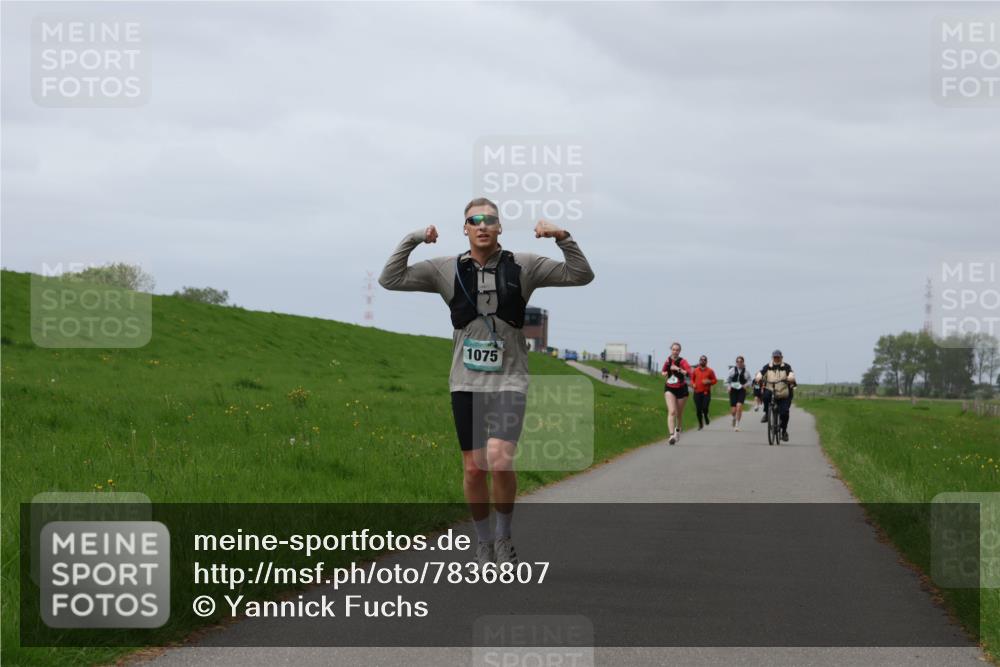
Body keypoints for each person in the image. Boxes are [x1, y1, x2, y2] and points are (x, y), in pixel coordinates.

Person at [379, 197, 594, 566]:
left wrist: (561, 236)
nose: (482, 225)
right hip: (465, 382)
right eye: (474, 220)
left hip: (510, 380)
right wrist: (415, 238)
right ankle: (483, 543)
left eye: (490, 220)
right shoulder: (445, 268)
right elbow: (390, 278)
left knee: (499, 457)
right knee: (474, 467)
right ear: (465, 228)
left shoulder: (524, 265)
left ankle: (504, 538)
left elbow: (581, 274)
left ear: (499, 228)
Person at [755, 349, 797, 442]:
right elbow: (761, 373)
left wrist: (790, 377)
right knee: (766, 396)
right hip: (771, 389)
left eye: (778, 357)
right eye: (775, 357)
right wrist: (758, 377)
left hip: (783, 392)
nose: (776, 359)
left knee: (784, 413)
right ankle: (767, 413)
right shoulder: (768, 366)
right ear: (772, 357)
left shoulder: (786, 366)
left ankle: (784, 431)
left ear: (781, 357)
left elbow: (791, 374)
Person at [661, 342, 692, 445]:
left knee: (679, 414)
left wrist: (678, 369)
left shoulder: (683, 361)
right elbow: (663, 371)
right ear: (671, 350)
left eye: (677, 350)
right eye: (673, 349)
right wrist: (665, 373)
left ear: (680, 351)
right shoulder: (668, 360)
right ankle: (671, 436)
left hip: (681, 389)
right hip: (669, 388)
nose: (675, 351)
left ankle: (677, 430)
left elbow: (689, 373)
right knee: (672, 411)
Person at [690, 355, 717, 430]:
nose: (702, 361)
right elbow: (692, 379)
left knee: (705, 407)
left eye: (704, 360)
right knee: (698, 410)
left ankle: (706, 416)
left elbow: (715, 380)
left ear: (706, 362)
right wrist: (693, 384)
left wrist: (709, 381)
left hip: (706, 392)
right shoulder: (695, 370)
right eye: (701, 360)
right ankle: (700, 424)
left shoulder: (710, 371)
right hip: (697, 392)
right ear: (699, 361)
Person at [726, 355, 752, 431]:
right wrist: (728, 387)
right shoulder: (732, 370)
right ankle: (733, 418)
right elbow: (727, 380)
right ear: (736, 362)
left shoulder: (746, 372)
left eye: (741, 361)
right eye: (738, 361)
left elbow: (750, 381)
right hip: (733, 390)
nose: (739, 363)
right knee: (733, 410)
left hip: (741, 390)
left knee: (739, 406)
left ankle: (737, 425)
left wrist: (746, 385)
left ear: (743, 362)